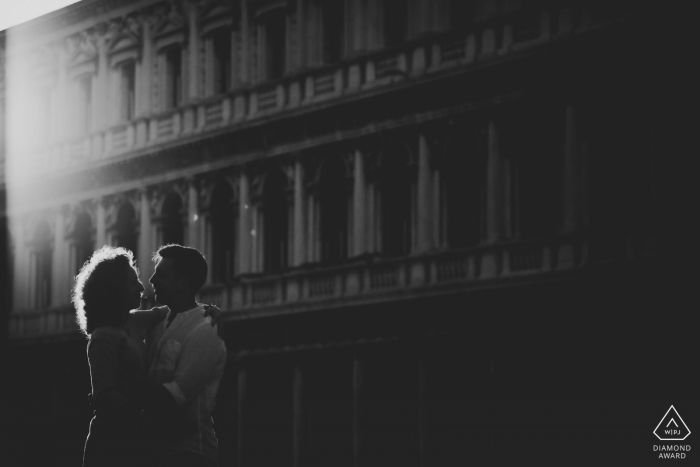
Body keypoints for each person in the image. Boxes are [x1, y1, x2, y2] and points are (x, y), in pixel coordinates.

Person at [73, 246, 222, 467]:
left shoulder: (132, 322)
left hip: (136, 441)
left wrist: (208, 311)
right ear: (115, 290)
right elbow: (105, 399)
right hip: (111, 441)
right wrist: (143, 417)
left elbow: (171, 309)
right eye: (133, 282)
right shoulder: (103, 337)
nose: (143, 286)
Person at [145, 244, 227, 467]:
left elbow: (176, 395)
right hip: (155, 452)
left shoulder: (206, 329)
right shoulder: (156, 323)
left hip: (190, 454)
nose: (151, 280)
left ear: (182, 282)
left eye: (161, 275)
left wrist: (120, 398)